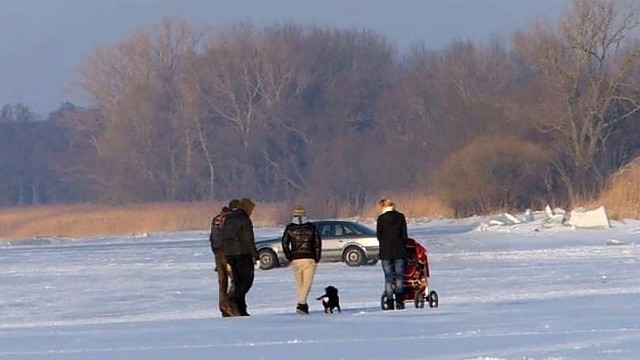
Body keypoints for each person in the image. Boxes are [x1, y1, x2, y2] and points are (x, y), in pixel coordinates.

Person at [281, 205, 322, 315]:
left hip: (295, 258)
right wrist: (317, 257)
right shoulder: (311, 227)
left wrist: (289, 256)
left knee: (299, 284)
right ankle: (301, 303)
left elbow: (284, 243)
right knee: (307, 283)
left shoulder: (290, 228)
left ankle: (302, 305)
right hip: (309, 257)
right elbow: (317, 243)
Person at [222, 198, 258, 316]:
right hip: (243, 254)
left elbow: (224, 237)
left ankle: (241, 309)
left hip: (230, 254)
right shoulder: (244, 220)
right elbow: (248, 239)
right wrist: (255, 255)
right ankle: (233, 300)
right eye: (251, 210)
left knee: (238, 281)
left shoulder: (228, 219)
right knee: (246, 281)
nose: (251, 213)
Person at [376, 198, 408, 310]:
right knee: (399, 277)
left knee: (388, 277)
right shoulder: (400, 217)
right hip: (399, 250)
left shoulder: (381, 219)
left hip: (385, 252)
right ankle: (399, 301)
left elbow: (378, 236)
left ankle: (390, 302)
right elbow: (405, 235)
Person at [209, 200, 239, 317]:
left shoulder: (216, 219)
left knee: (222, 283)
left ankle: (223, 307)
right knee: (236, 280)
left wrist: (215, 251)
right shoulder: (231, 220)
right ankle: (229, 305)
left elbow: (212, 237)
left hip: (217, 253)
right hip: (228, 253)